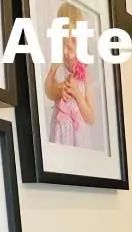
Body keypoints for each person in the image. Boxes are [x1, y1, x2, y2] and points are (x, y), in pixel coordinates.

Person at [44, 2, 96, 147]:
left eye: (71, 44)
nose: (66, 52)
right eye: (63, 45)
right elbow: (48, 90)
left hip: (79, 139)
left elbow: (91, 118)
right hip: (60, 133)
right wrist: (59, 89)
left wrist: (78, 95)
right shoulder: (57, 63)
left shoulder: (86, 74)